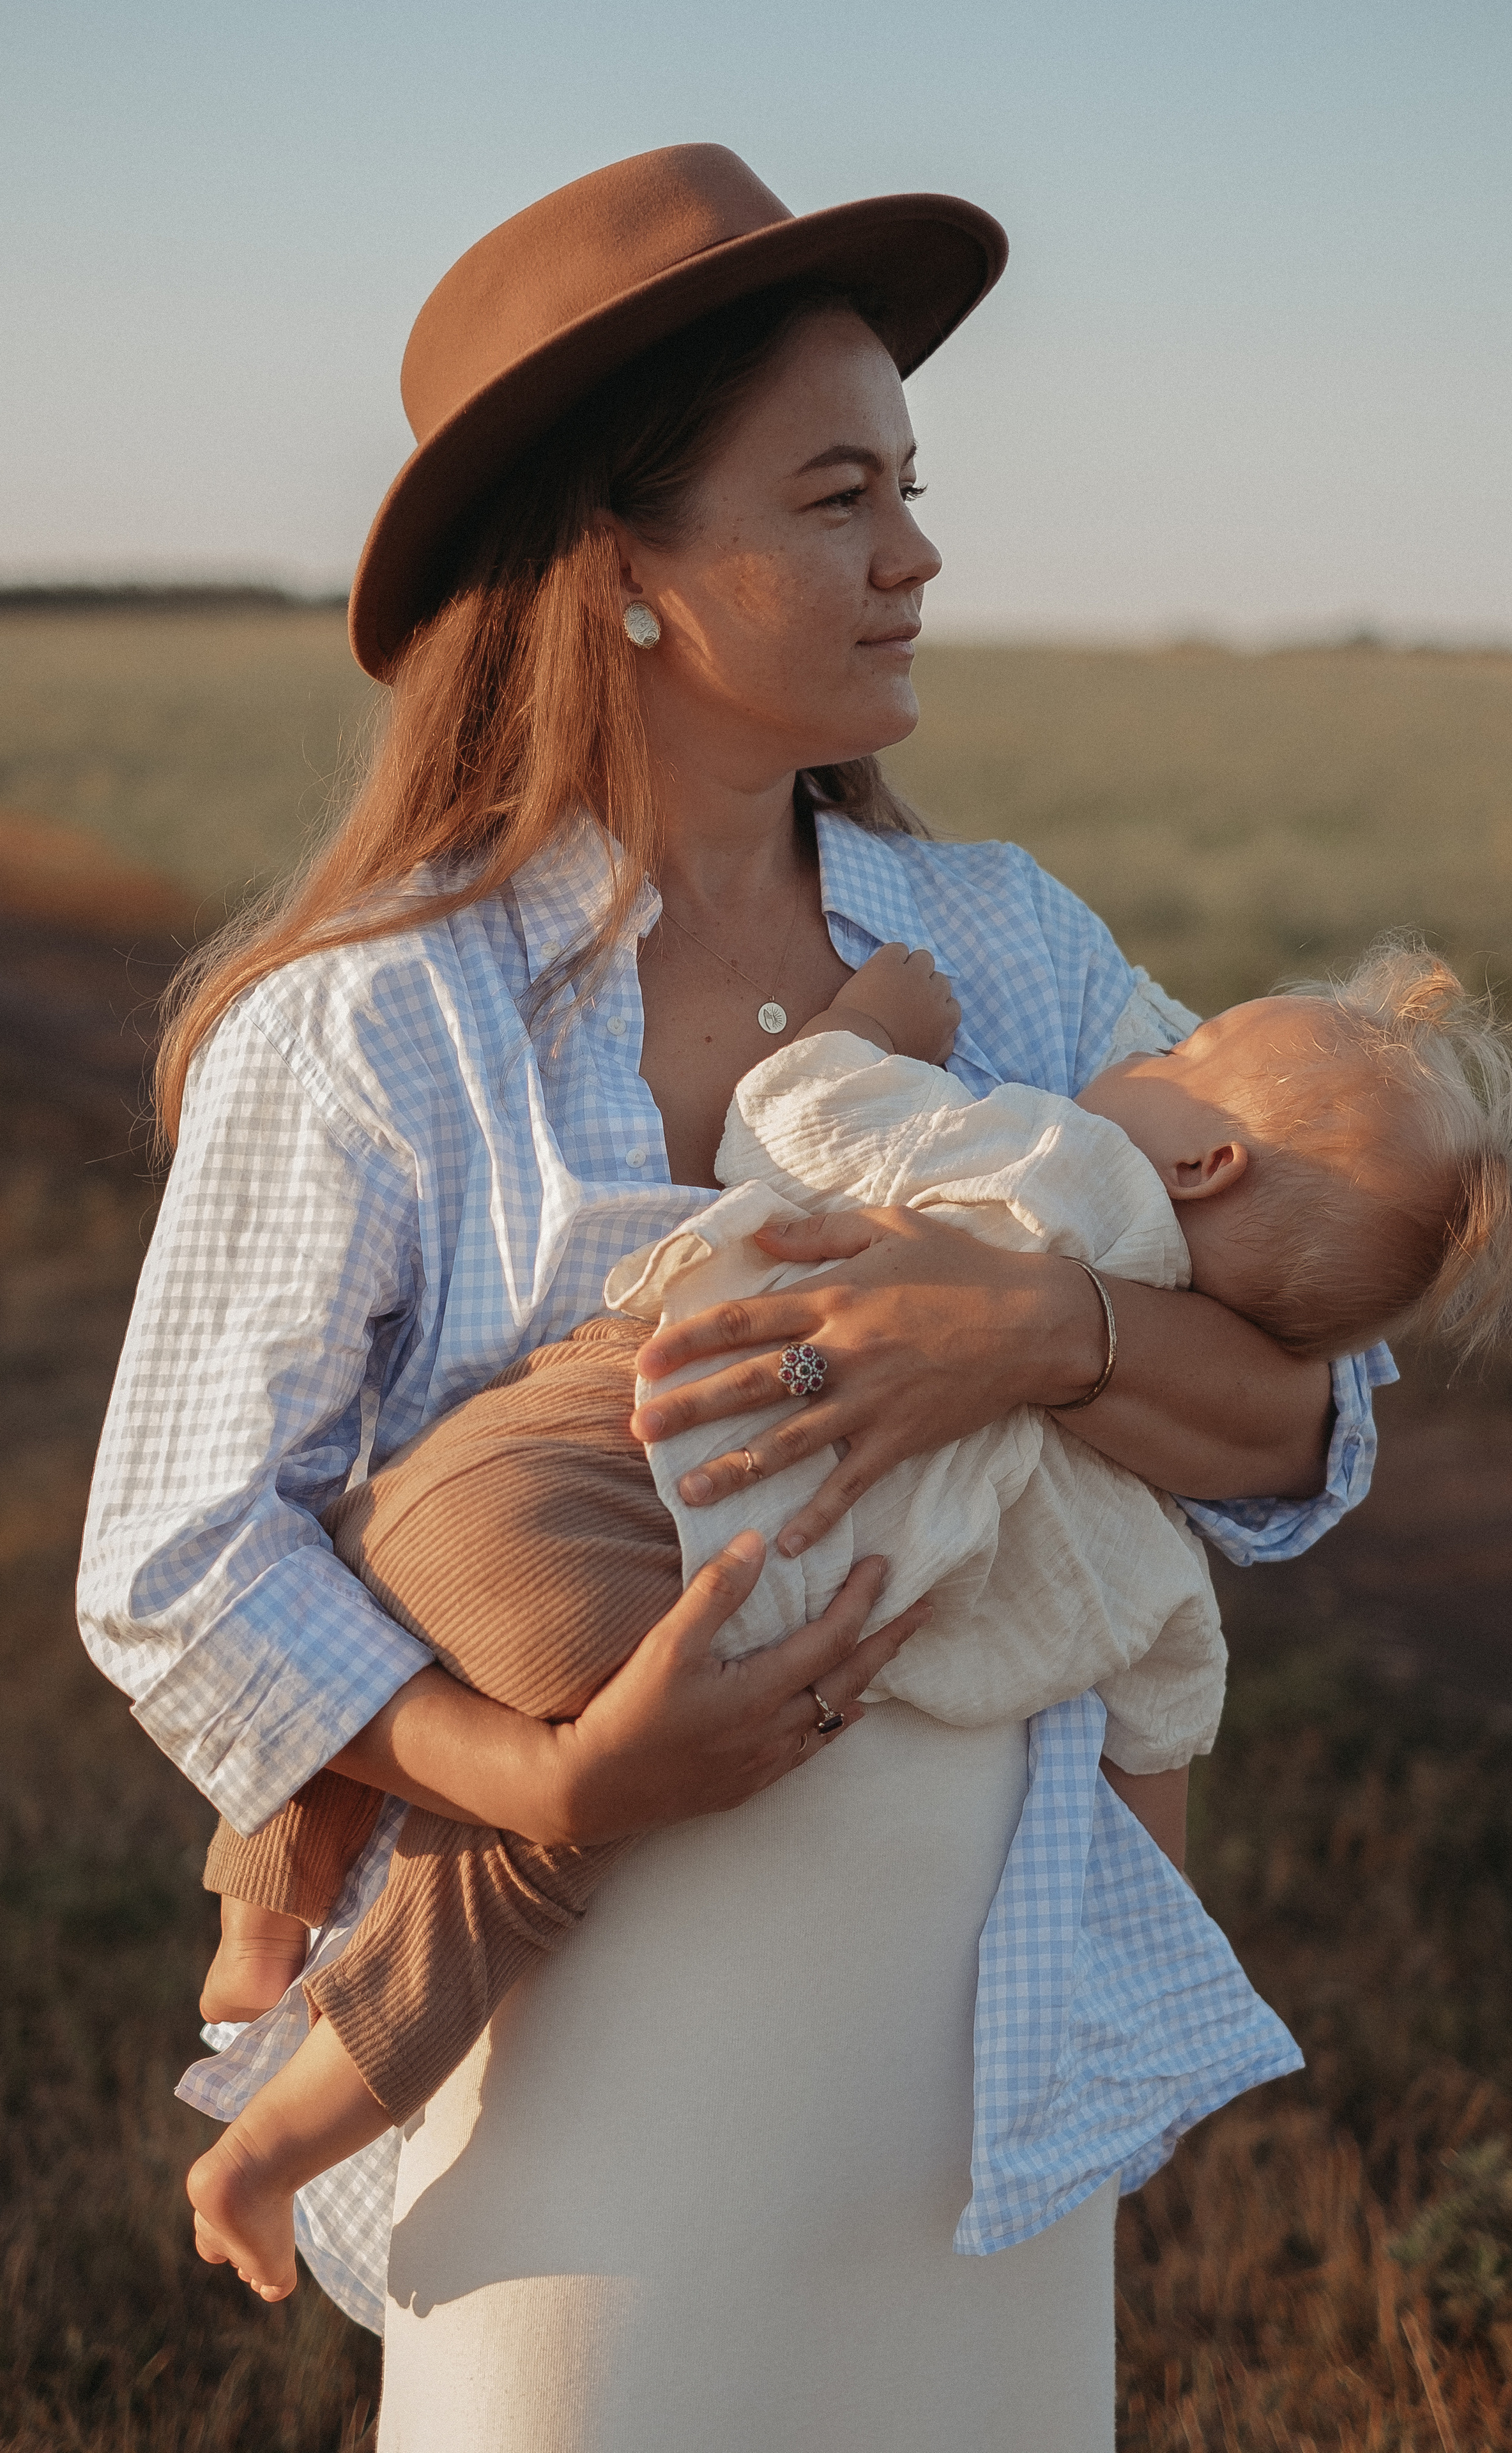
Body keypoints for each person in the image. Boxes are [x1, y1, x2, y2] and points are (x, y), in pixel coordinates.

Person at [79, 145, 1406, 2447]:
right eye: (832, 496)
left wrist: (1048, 1336)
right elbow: (181, 1560)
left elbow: (1311, 1421)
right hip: (571, 2057)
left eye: (911, 483)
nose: (915, 551)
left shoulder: (1011, 947)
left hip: (970, 2062)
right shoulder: (383, 1025)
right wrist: (563, 1774)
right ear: (621, 570)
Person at [184, 927, 1512, 2306]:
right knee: (504, 1870)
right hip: (657, 1599)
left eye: (1187, 1056)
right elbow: (1160, 1723)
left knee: (352, 1573)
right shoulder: (1130, 1504)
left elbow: (790, 1116)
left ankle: (261, 1921)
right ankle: (276, 2143)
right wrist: (1131, 1955)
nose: (1147, 1047)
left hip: (569, 1458)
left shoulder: (1057, 1162)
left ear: (1204, 1165)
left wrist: (875, 1024)